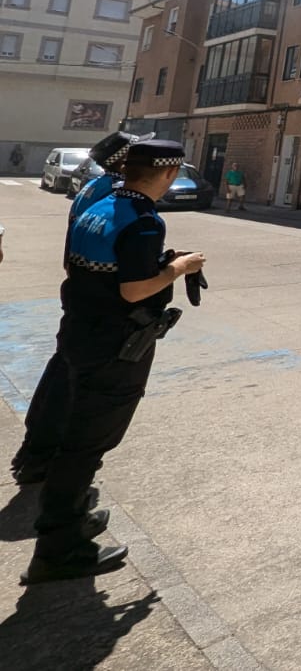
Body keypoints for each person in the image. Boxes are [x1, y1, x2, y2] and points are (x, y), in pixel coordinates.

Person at [21, 138, 206, 585]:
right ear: (167, 174)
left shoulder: (95, 203)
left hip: (80, 334)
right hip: (114, 348)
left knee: (76, 431)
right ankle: (59, 547)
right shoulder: (143, 220)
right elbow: (133, 289)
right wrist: (179, 268)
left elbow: (93, 266)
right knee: (86, 444)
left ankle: (72, 517)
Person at [10, 131, 135, 486]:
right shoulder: (115, 193)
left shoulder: (92, 188)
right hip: (98, 300)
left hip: (80, 290)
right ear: (124, 159)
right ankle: (50, 461)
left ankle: (37, 451)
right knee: (79, 385)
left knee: (63, 372)